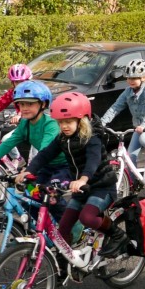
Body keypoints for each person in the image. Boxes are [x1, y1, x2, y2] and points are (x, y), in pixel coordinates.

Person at [21, 92, 124, 257]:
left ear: (81, 120)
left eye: (68, 122)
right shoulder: (63, 138)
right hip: (81, 189)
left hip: (101, 187)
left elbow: (93, 160)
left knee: (87, 218)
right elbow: (45, 154)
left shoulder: (92, 138)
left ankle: (118, 235)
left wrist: (83, 179)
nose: (64, 126)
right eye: (60, 122)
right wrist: (29, 170)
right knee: (63, 227)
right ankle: (65, 258)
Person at [100, 59, 145, 174]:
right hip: (139, 127)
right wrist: (102, 122)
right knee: (130, 156)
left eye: (134, 78)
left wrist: (144, 125)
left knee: (144, 138)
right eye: (128, 78)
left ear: (143, 78)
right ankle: (134, 184)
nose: (131, 81)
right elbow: (115, 107)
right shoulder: (127, 91)